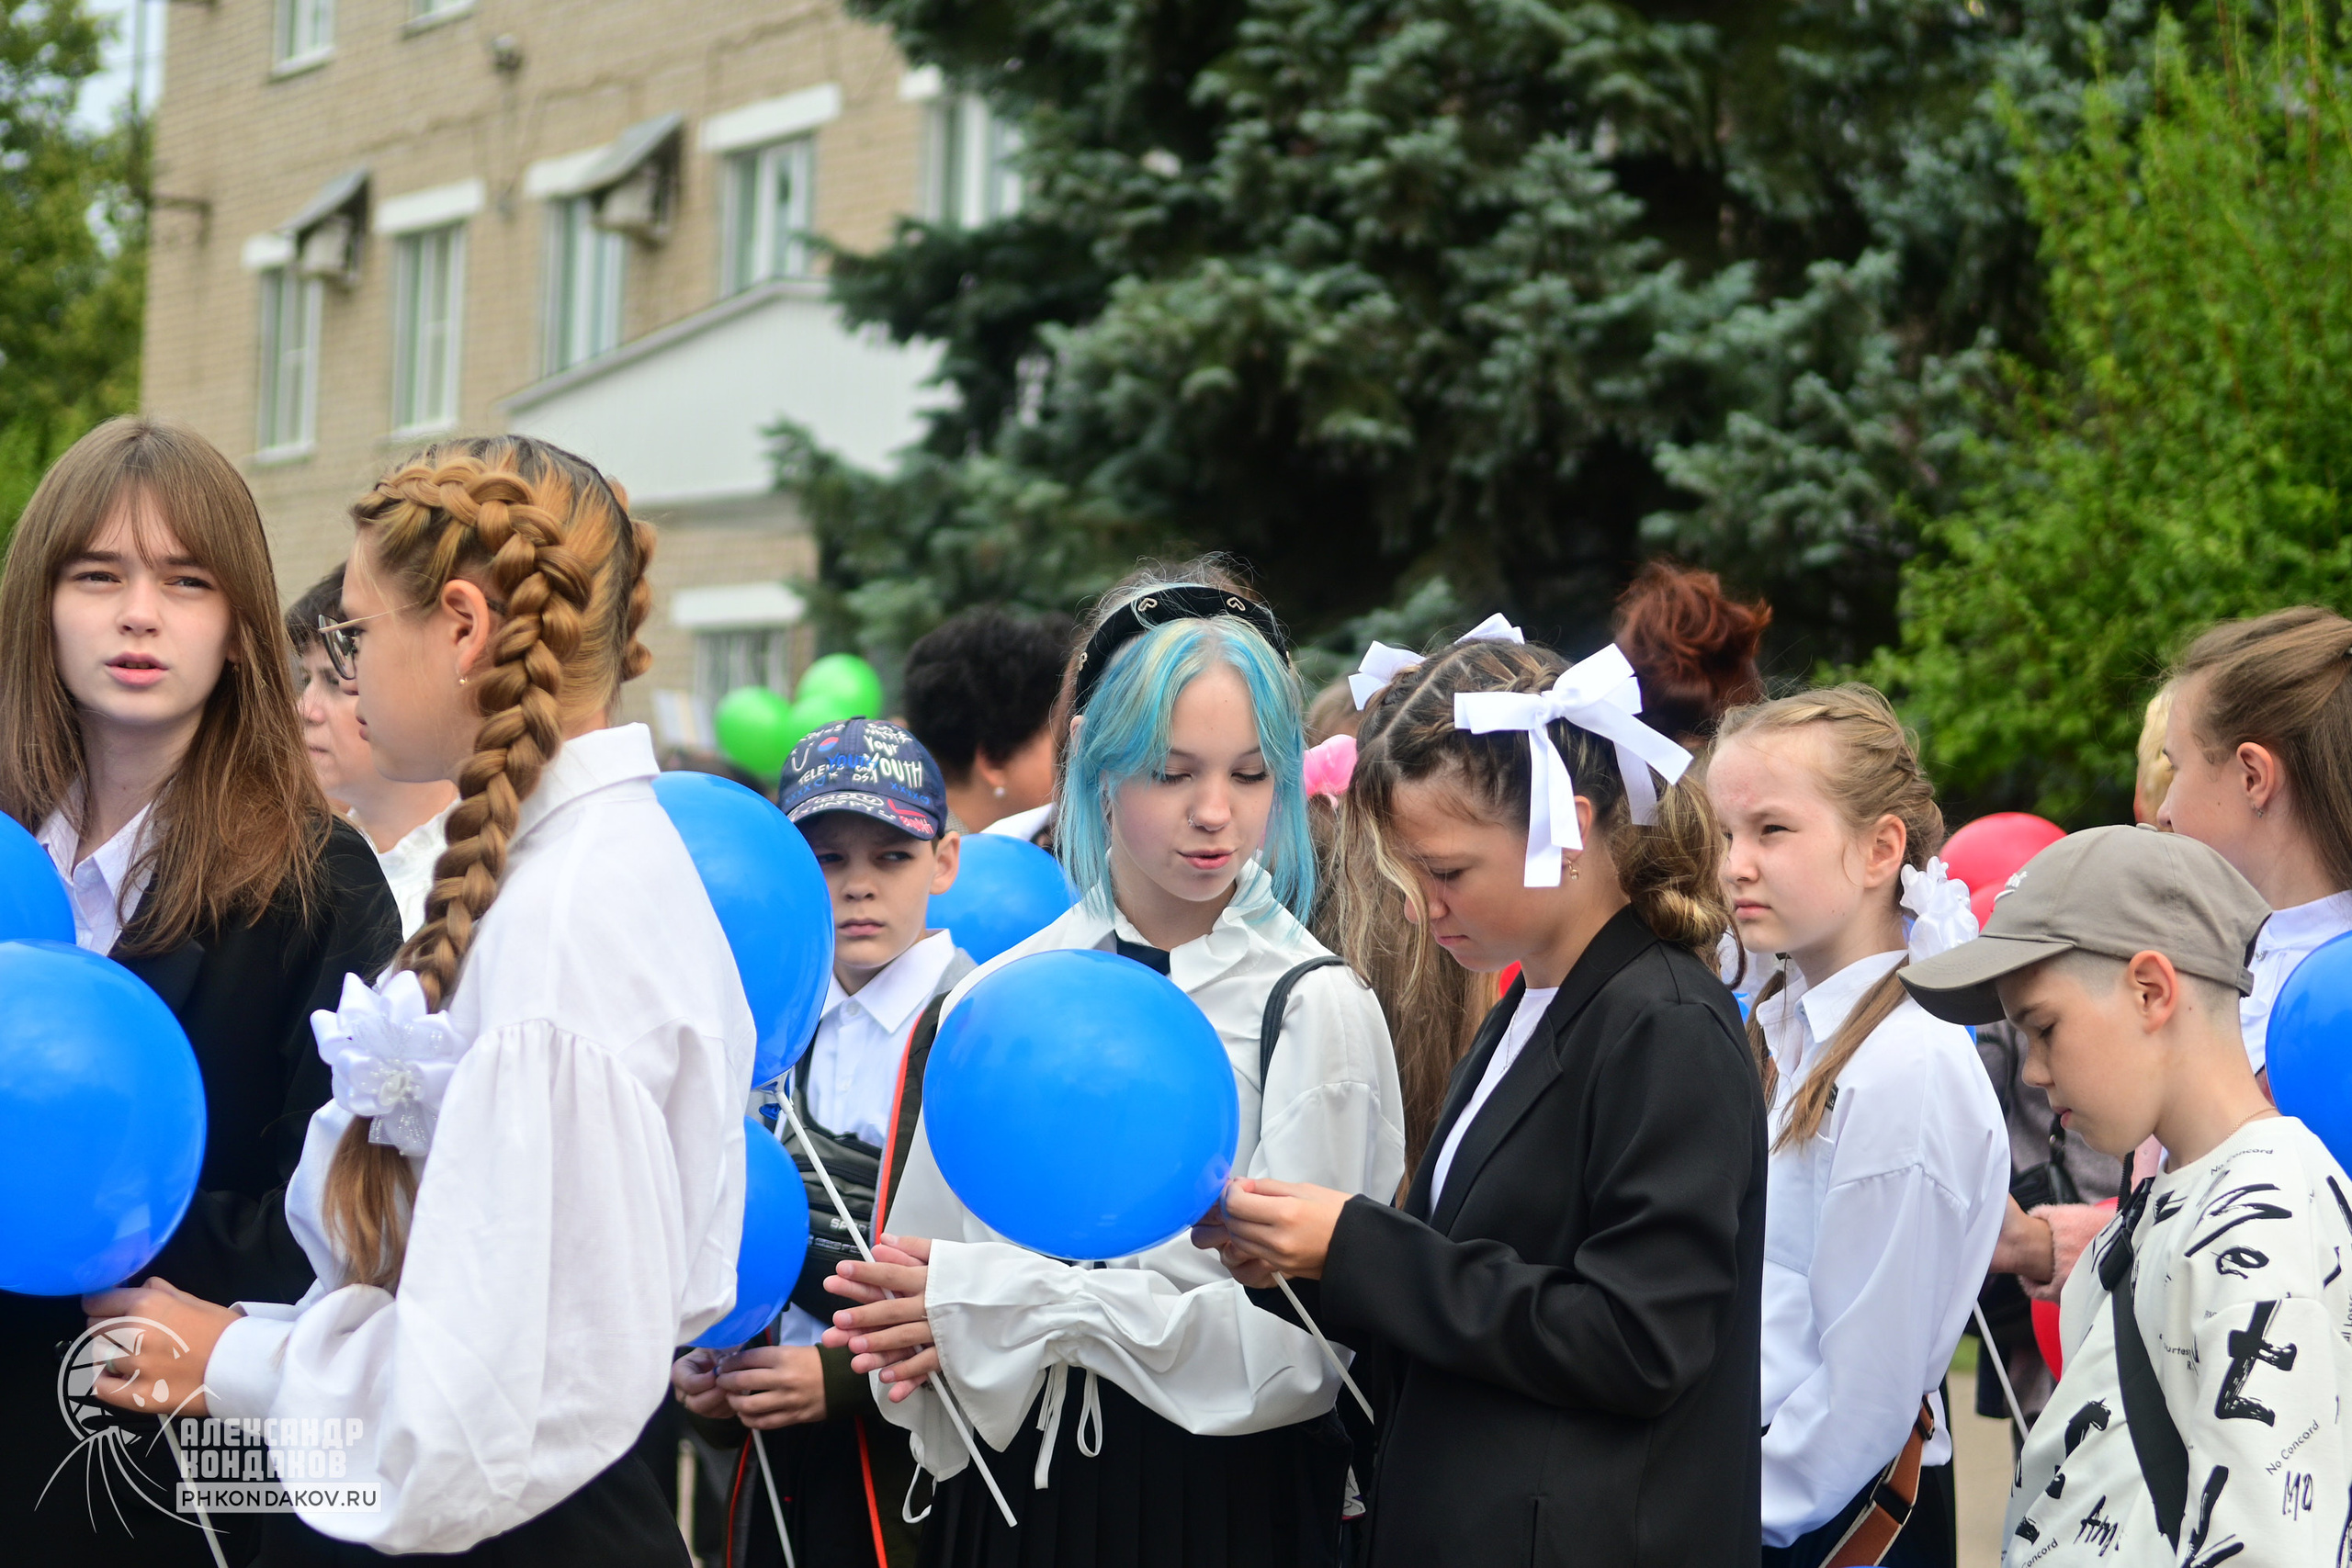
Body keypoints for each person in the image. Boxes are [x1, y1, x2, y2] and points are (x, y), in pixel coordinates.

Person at [80, 435, 757, 1562]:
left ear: (460, 627)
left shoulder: (565, 927)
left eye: (350, 633)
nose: (335, 672)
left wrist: (229, 1359)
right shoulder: (575, 876)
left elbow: (472, 1414)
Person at [821, 562, 1407, 1568]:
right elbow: (908, 1305)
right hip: (1004, 1506)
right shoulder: (993, 997)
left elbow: (1304, 1354)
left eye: (1251, 772)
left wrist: (1020, 1306)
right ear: (1095, 764)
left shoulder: (1312, 1008)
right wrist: (950, 1321)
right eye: (1172, 772)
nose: (1214, 812)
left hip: (1221, 1508)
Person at [1209, 635, 1769, 1567]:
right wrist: (1301, 1267)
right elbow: (1474, 1293)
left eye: (1448, 870)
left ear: (1570, 826)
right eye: (1411, 875)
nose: (1422, 907)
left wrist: (1360, 1246)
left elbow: (1638, 1342)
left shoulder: (1662, 1024)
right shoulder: (1533, 1004)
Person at [0, 417, 401, 1568]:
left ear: (237, 629)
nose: (139, 613)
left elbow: (329, 1205)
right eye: (98, 576)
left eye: (185, 581)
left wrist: (105, 1230)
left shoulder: (318, 885)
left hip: (161, 1451)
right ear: (41, 605)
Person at [1900, 826, 2352, 1565]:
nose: (2035, 1072)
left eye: (2044, 1029)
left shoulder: (2267, 1219)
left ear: (2151, 990)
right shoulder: (2176, 1192)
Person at [1708, 686, 2010, 1566]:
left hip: (1824, 1515)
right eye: (1727, 834)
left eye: (1771, 830)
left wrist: (1719, 1510)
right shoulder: (1788, 1031)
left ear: (1882, 848)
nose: (1735, 864)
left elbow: (1863, 1392)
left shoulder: (1907, 1068)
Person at [673, 717, 971, 1568]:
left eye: (891, 856)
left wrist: (842, 1379)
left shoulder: (978, 1024)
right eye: (827, 858)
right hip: (778, 1465)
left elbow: (1008, 1274)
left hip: (922, 1466)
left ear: (944, 861)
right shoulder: (767, 1022)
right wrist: (714, 1365)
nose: (858, 888)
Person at [287, 565, 458, 937]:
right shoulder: (304, 876)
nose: (304, 710)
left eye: (334, 680)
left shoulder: (486, 861)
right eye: (306, 680)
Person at [899, 608, 1070, 840]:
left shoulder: (911, 846)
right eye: (1062, 739)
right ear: (995, 759)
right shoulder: (945, 869)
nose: (1078, 758)